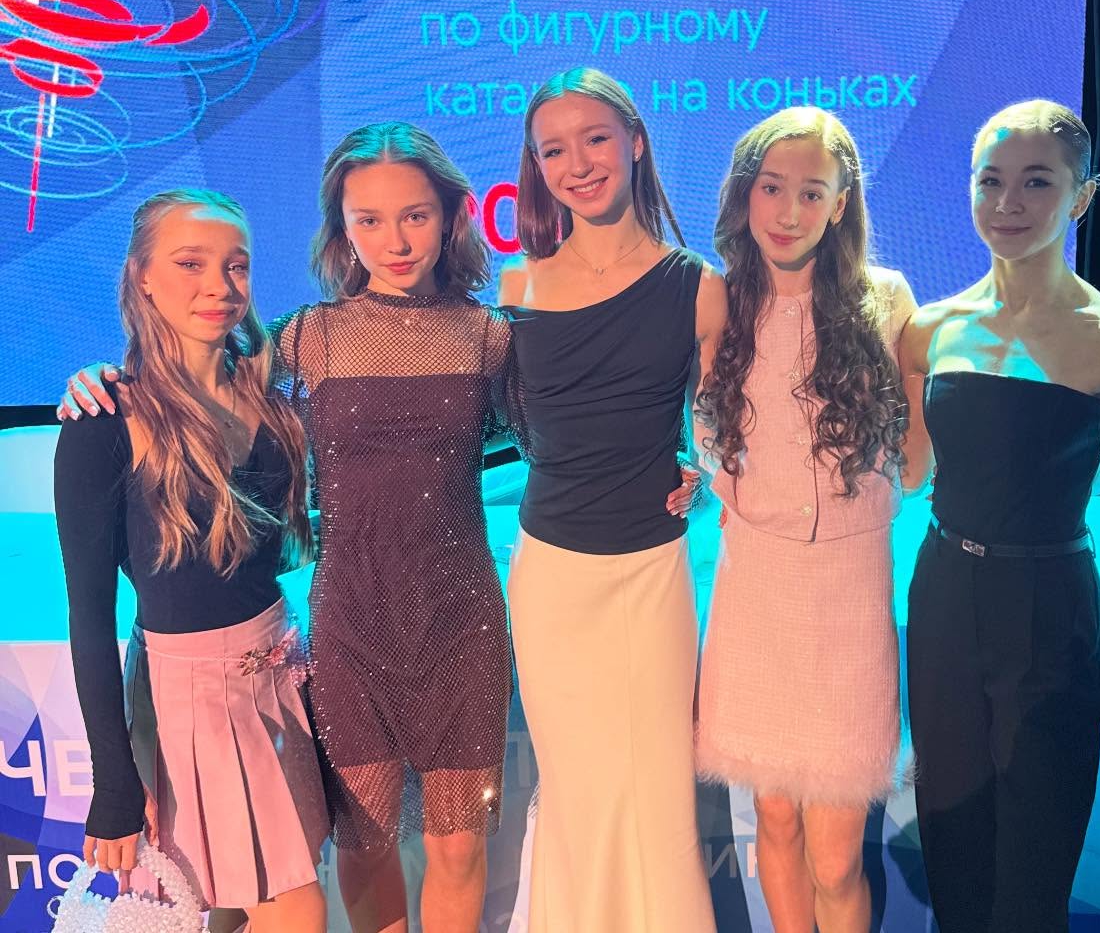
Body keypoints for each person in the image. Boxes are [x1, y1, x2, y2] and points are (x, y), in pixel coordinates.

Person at [59, 124, 523, 933]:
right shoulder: (296, 342)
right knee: (326, 874)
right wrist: (95, 378)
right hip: (307, 652)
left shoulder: (478, 339)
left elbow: (559, 434)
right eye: (368, 218)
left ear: (451, 216)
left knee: (425, 858)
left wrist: (675, 460)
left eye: (414, 215)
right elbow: (178, 384)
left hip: (396, 644)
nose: (394, 240)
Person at [55, 190, 328, 932]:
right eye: (190, 264)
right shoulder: (104, 420)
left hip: (282, 679)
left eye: (236, 265)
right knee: (293, 913)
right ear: (142, 276)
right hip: (188, 710)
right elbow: (89, 617)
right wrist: (114, 781)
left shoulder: (274, 396)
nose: (219, 286)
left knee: (238, 909)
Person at [897, 101, 1100, 931]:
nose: (1008, 203)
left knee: (1037, 859)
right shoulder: (929, 329)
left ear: (1082, 196)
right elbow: (904, 470)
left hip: (1052, 603)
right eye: (990, 181)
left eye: (1037, 182)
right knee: (952, 842)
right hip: (945, 598)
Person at [497, 66, 726, 933]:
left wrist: (704, 470)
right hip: (551, 578)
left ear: (635, 142)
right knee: (576, 792)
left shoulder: (697, 286)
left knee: (656, 794)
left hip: (649, 575)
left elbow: (724, 429)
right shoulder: (516, 290)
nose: (578, 164)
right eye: (553, 150)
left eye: (595, 139)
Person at [693, 107, 914, 933]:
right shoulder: (718, 303)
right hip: (757, 588)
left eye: (811, 193)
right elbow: (706, 436)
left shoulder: (886, 300)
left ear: (840, 203)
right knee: (775, 820)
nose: (788, 212)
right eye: (771, 188)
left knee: (836, 854)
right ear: (743, 195)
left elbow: (915, 452)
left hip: (848, 596)